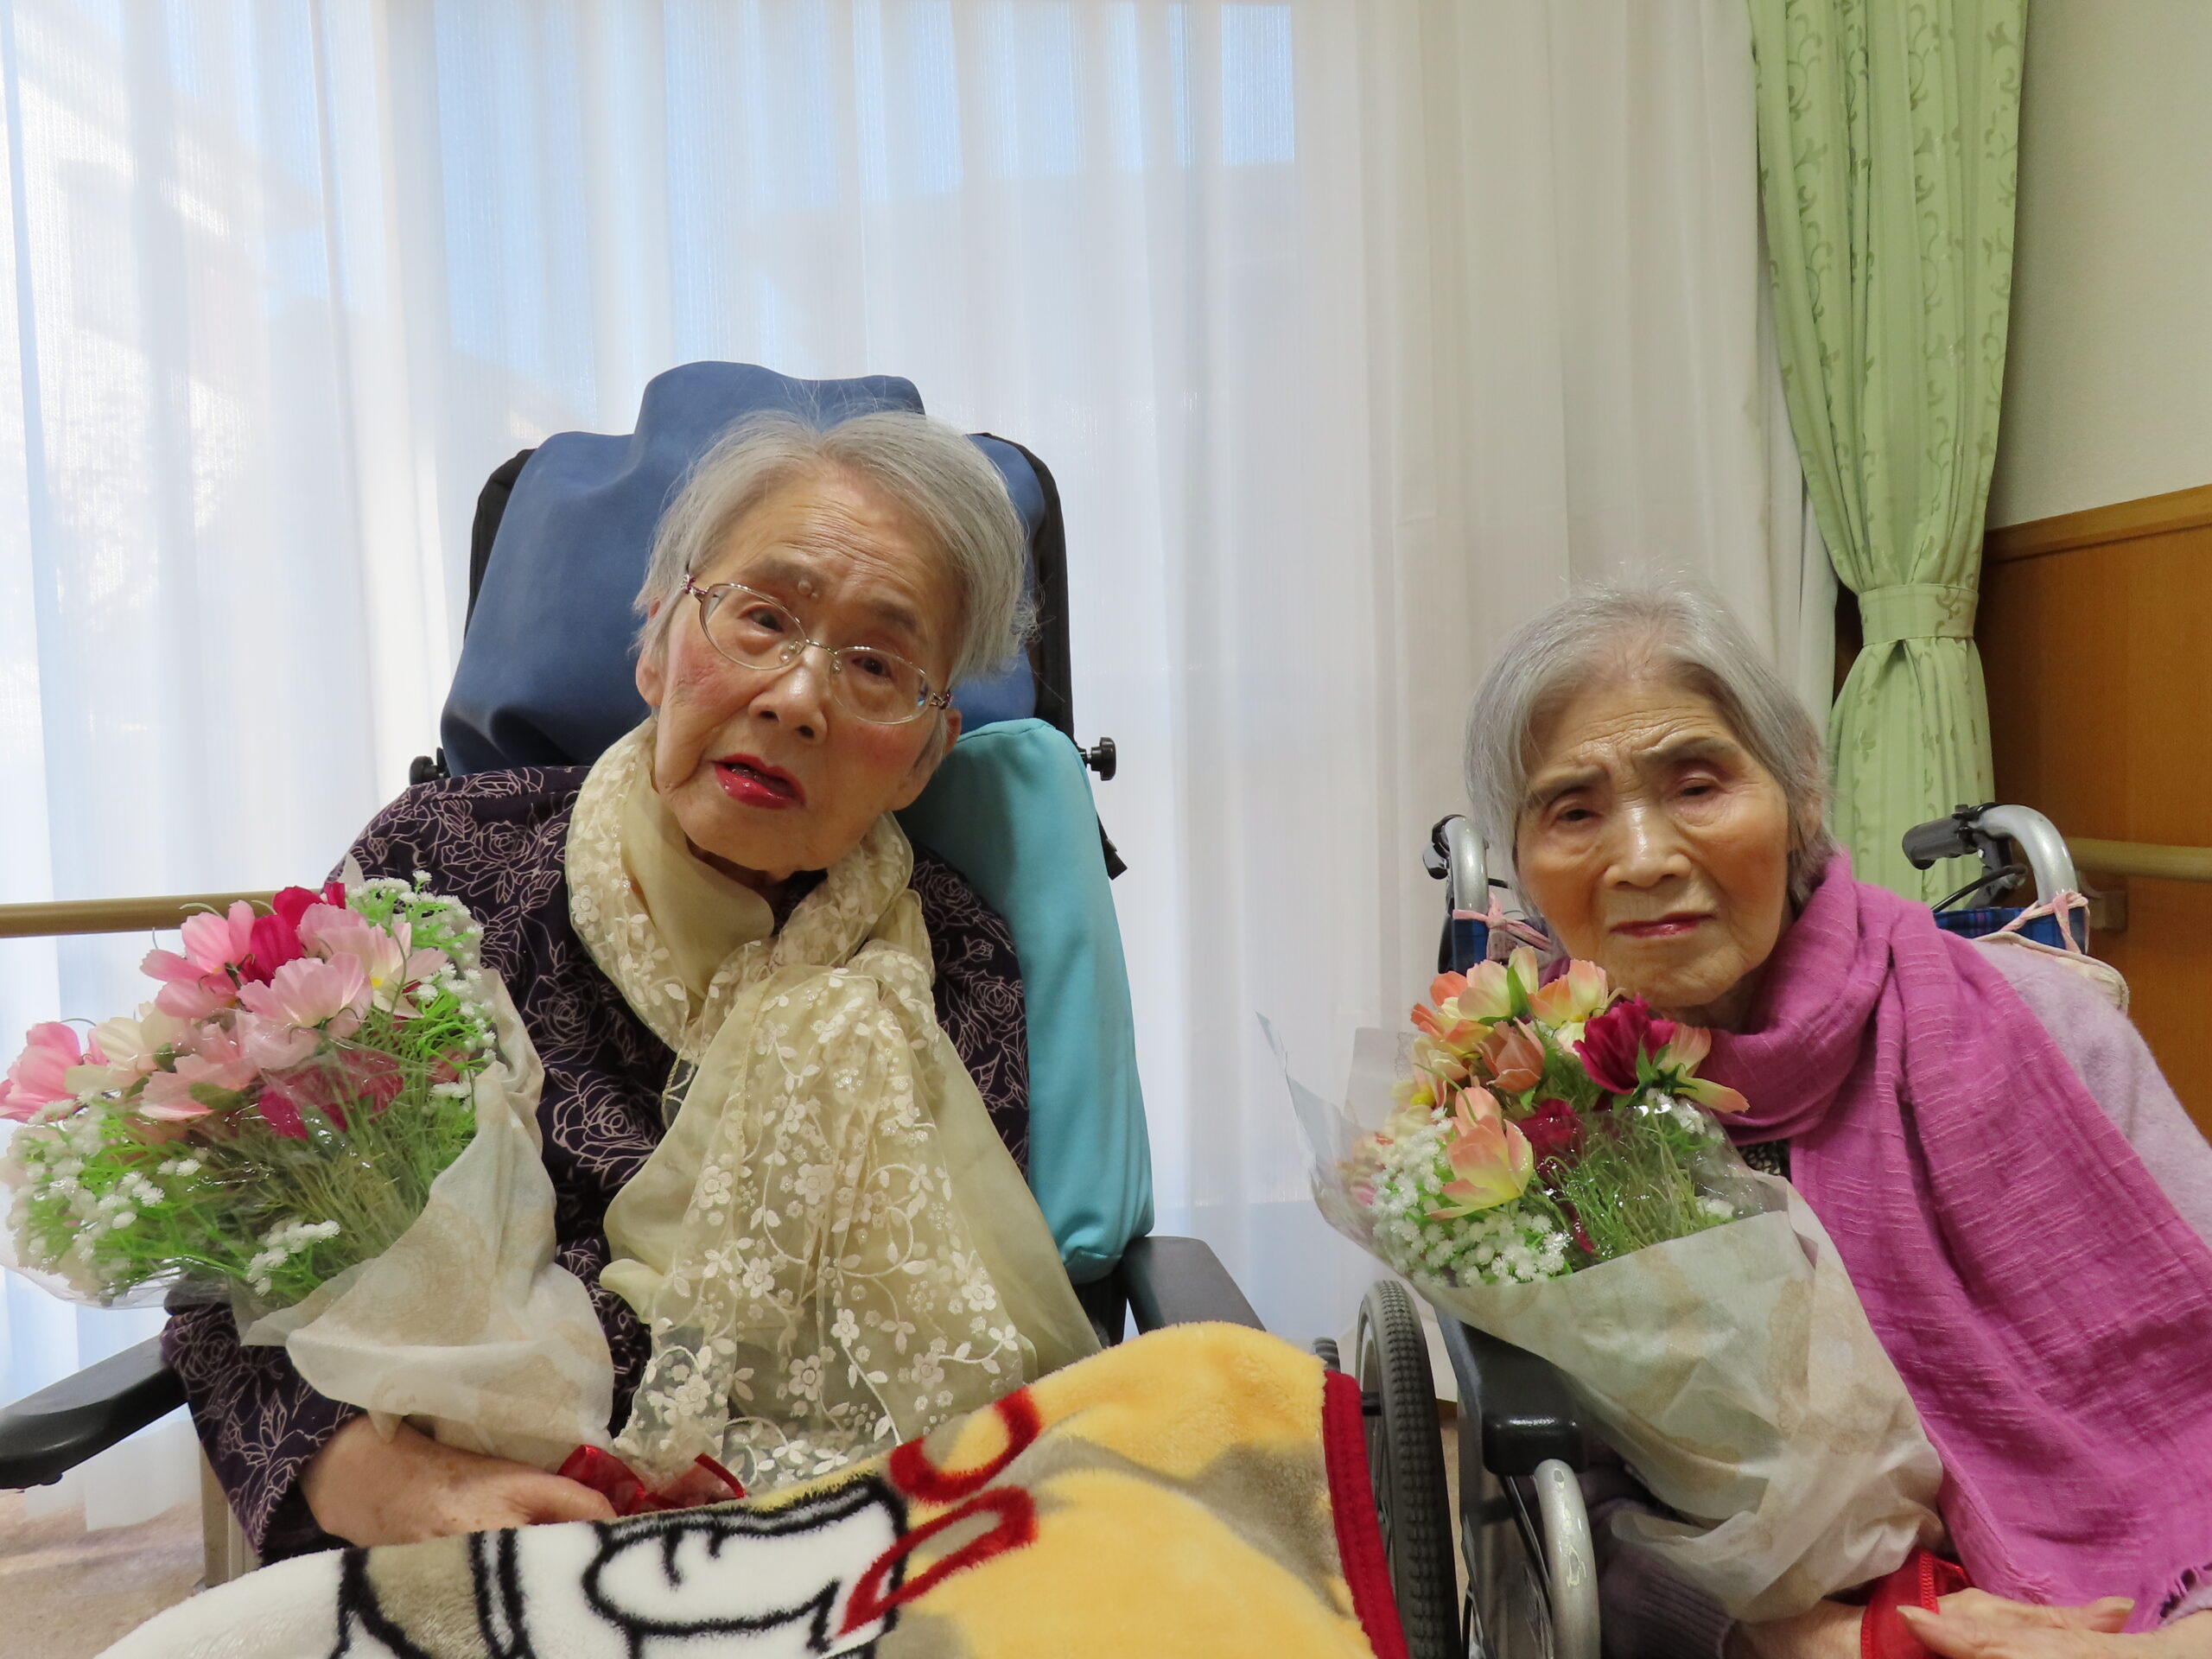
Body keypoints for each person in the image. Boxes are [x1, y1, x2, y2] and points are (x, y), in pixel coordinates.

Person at [167, 410, 1097, 1557]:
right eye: (764, 618)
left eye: (874, 666)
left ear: (924, 755)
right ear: (657, 642)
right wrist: (378, 1480)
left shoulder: (955, 959)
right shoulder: (441, 868)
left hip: (825, 1542)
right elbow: (229, 1247)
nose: (797, 699)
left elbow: (963, 1341)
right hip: (444, 1536)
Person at [1459, 580, 2212, 1659]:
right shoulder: (1532, 1124)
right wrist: (1826, 1638)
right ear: (1522, 862)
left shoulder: (2039, 1022)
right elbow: (1570, 1511)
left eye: (1697, 785)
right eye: (1573, 811)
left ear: (1801, 789)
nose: (1645, 856)